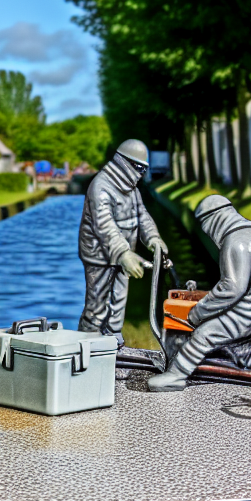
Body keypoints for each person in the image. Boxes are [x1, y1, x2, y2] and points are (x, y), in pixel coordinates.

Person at [148, 194, 251, 392]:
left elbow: (232, 288)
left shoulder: (235, 242)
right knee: (232, 335)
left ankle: (176, 376)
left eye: (205, 225)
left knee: (207, 333)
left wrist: (199, 312)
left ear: (214, 220)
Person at [78, 139, 168, 347]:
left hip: (124, 253)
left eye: (143, 169)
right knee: (97, 304)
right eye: (139, 168)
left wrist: (153, 238)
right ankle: (86, 344)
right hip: (99, 255)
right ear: (124, 163)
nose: (141, 173)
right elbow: (104, 225)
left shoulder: (132, 189)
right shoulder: (100, 186)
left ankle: (114, 340)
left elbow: (142, 216)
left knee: (119, 299)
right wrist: (123, 253)